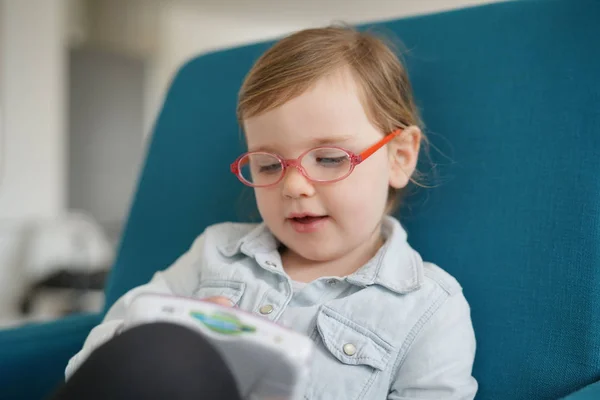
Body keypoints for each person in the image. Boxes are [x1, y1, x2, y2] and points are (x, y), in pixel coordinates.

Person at [57, 25, 478, 400]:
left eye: (330, 158)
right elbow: (93, 365)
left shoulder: (429, 309)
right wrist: (172, 334)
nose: (293, 185)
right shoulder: (216, 254)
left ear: (400, 156)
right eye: (269, 165)